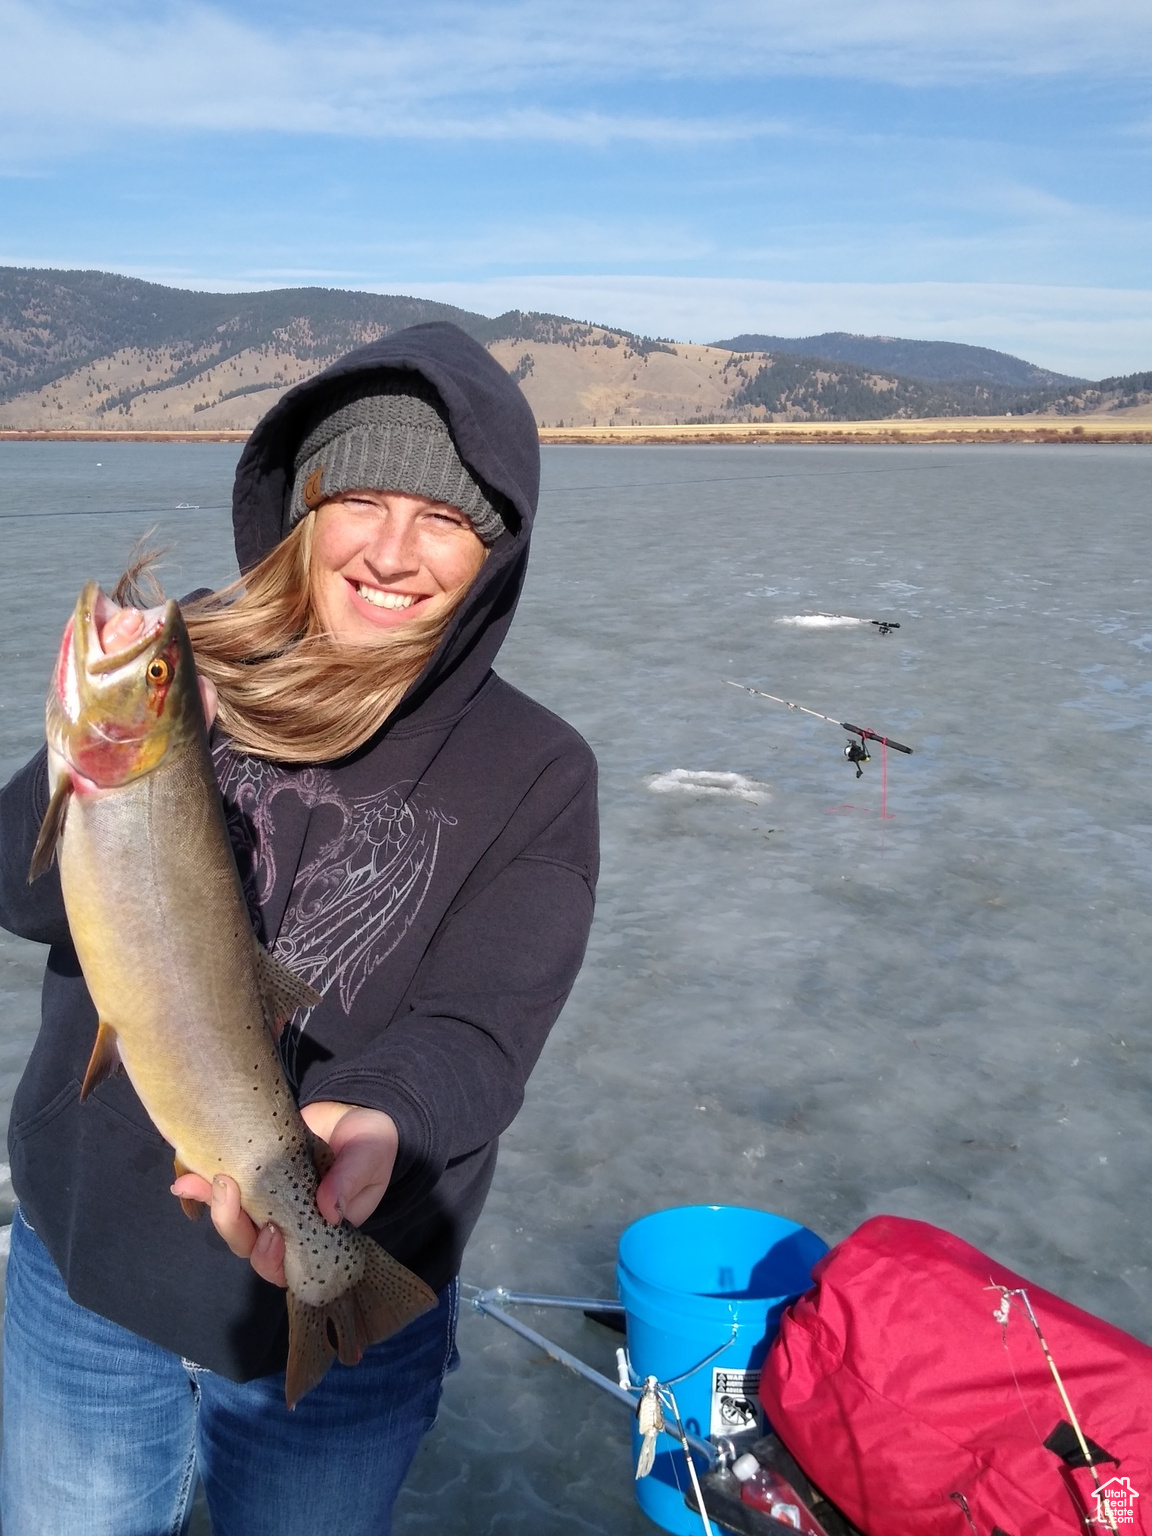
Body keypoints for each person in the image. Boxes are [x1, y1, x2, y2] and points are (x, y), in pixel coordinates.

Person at [0, 323, 599, 1535]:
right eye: (361, 499)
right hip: (89, 1283)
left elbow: (481, 1027)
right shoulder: (192, 671)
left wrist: (382, 1117)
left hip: (343, 1305)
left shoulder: (535, 770)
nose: (393, 551)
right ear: (302, 508)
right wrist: (83, 760)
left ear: (496, 547)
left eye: (444, 517)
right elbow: (17, 894)